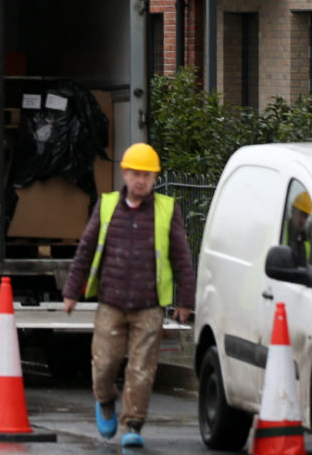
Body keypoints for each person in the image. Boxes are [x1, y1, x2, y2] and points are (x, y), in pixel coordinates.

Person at [63, 142, 194, 450]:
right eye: (136, 173)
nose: (141, 180)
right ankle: (105, 400)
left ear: (154, 179)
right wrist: (72, 292)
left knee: (141, 369)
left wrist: (185, 301)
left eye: (147, 176)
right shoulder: (107, 206)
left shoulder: (166, 209)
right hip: (111, 303)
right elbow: (85, 249)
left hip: (149, 307)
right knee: (105, 363)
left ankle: (133, 423)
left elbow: (182, 257)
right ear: (124, 174)